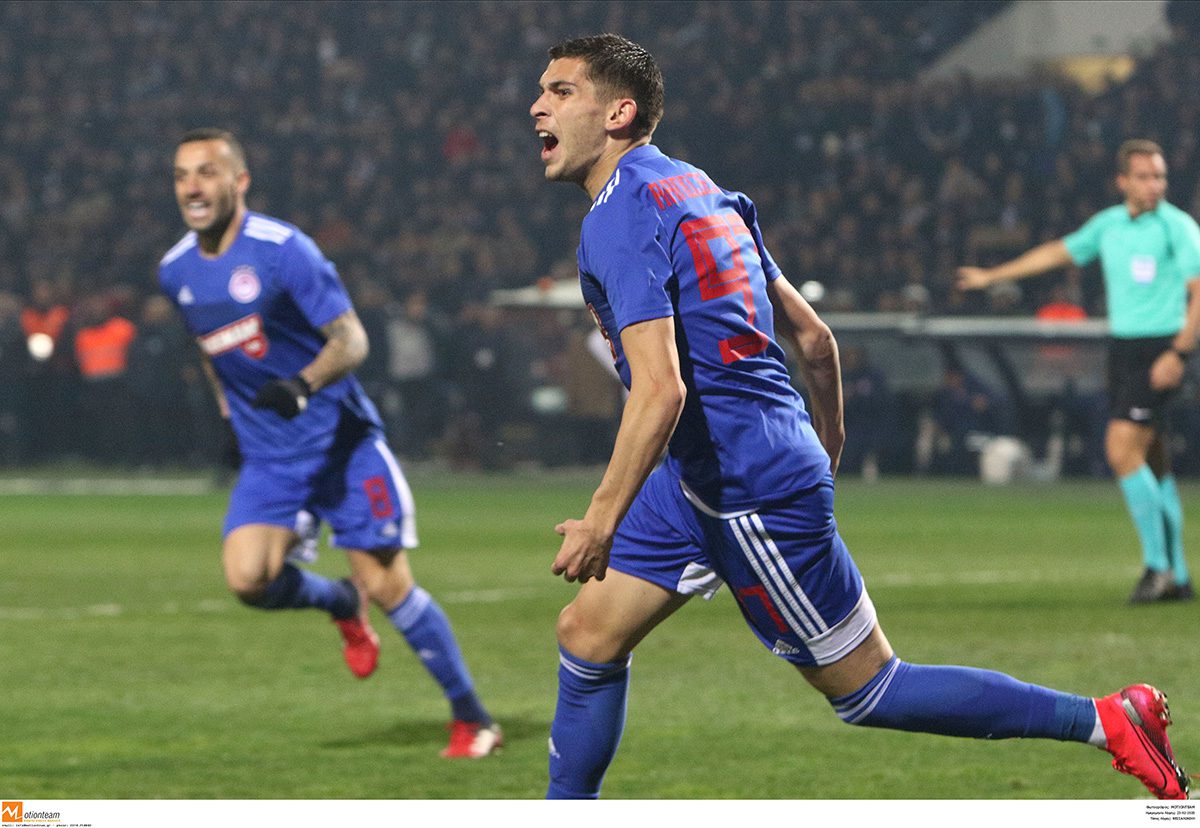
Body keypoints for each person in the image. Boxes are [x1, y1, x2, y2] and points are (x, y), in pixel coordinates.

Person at [530, 34, 1187, 800]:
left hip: (743, 486)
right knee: (588, 634)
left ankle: (1108, 719)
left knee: (870, 689)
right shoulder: (700, 189)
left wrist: (601, 518)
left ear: (618, 112)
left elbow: (661, 390)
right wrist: (827, 444)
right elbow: (815, 339)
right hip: (702, 475)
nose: (538, 106)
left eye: (561, 91)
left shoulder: (618, 215)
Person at [158, 128, 500, 758]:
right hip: (270, 456)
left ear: (239, 181)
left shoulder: (284, 250)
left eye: (207, 172)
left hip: (339, 444)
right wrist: (230, 415)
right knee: (248, 579)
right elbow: (210, 350)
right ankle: (340, 600)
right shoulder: (175, 269)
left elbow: (351, 339)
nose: (192, 187)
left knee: (388, 584)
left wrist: (302, 384)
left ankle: (473, 719)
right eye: (182, 176)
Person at [958, 139, 1200, 604]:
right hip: (1125, 350)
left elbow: (1198, 290)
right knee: (1153, 460)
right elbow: (1056, 253)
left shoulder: (1177, 227)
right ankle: (1180, 576)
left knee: (1120, 450)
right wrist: (994, 276)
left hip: (1162, 349)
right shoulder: (1109, 225)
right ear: (1123, 181)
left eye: (1160, 176)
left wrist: (1179, 353)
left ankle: (1158, 569)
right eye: (1145, 176)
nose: (1155, 185)